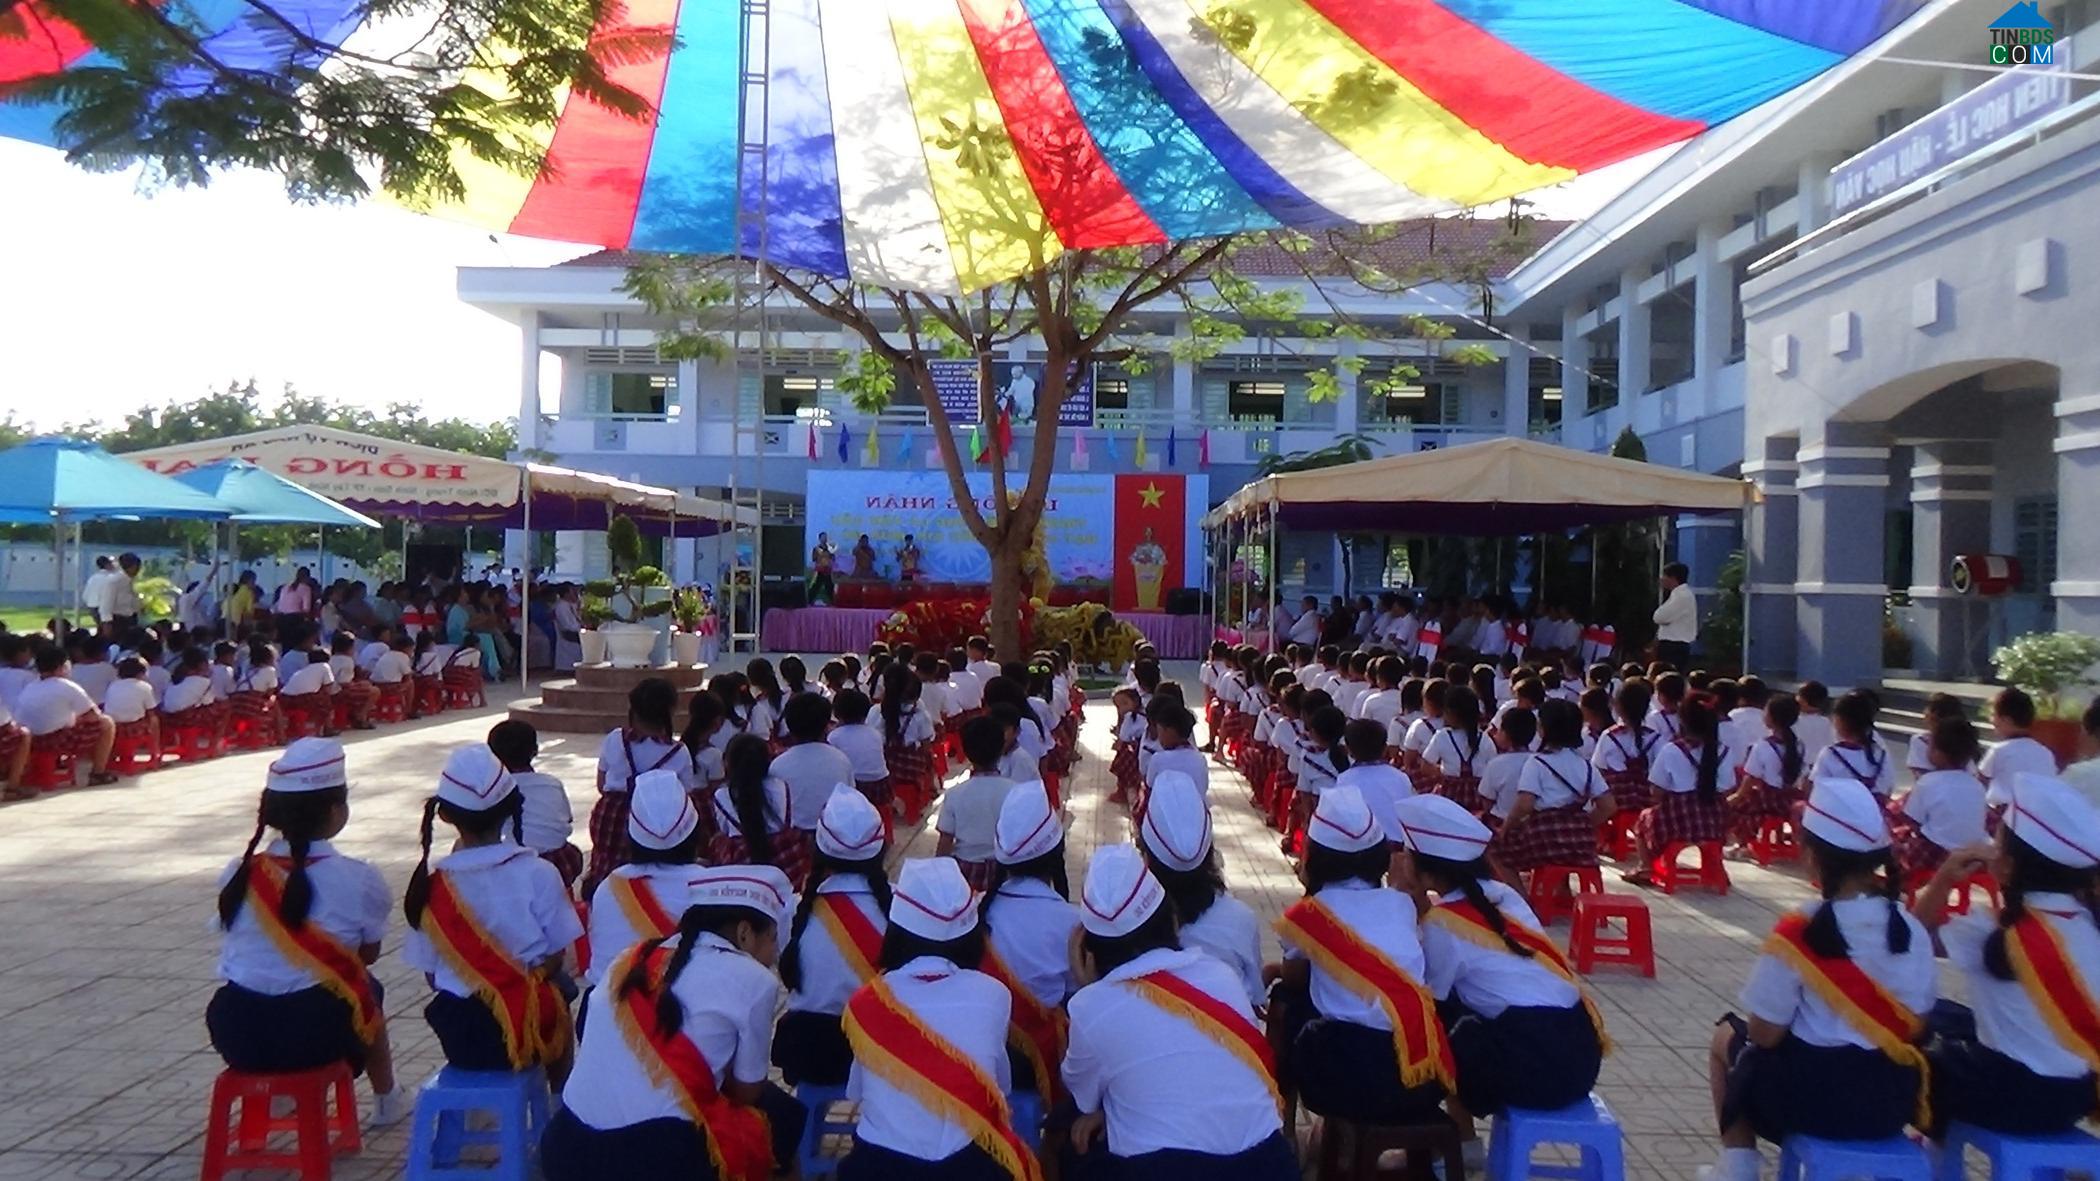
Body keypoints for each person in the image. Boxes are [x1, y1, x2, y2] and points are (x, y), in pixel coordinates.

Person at [1700, 779, 1934, 1181]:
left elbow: (1764, 1033)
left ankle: (1738, 1168)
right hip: (1891, 1104)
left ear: (1813, 856)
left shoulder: (1799, 931)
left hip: (1814, 1104)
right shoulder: (1911, 930)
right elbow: (1921, 1023)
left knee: (1727, 1036)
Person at [542, 865, 804, 1181]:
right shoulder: (755, 980)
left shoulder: (632, 957)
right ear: (744, 932)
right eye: (772, 938)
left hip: (567, 1144)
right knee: (783, 1120)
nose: (774, 952)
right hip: (655, 1157)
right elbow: (747, 1092)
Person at [1060, 844, 1295, 1181]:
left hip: (1168, 1170)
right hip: (1268, 1164)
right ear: (1171, 921)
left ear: (1089, 951)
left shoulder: (1091, 1006)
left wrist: (1088, 989)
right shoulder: (1220, 975)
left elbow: (1082, 1095)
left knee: (1073, 1145)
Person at [206, 738, 408, 1126]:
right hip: (314, 1031)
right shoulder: (359, 877)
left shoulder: (238, 872)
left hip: (237, 1031)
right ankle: (387, 1099)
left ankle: (279, 1095)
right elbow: (366, 955)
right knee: (366, 989)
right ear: (336, 812)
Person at [1911, 773, 2100, 1142]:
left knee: (1906, 1025)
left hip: (2008, 1097)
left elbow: (1913, 943)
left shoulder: (1995, 931)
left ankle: (1930, 1145)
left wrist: (1944, 879)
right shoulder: (2090, 925)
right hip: (2075, 1097)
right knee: (1947, 1017)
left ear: (2008, 866)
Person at [1396, 794, 1608, 1123]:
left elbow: (1430, 996)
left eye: (1406, 855)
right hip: (1579, 1057)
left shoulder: (1443, 925)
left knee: (1435, 1022)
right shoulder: (1505, 895)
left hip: (1531, 1068)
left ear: (1427, 875)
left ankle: (1460, 1140)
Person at [1270, 786, 1453, 1126]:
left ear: (1313, 856)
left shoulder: (1308, 915)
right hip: (1422, 1077)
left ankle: (1285, 1123)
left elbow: (1295, 977)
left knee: (1285, 998)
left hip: (1346, 1080)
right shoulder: (1401, 904)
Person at [838, 857, 1028, 1181]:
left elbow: (855, 1095)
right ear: (972, 934)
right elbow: (1001, 1089)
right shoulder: (994, 995)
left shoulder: (865, 1002)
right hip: (968, 1167)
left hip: (880, 1169)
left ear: (896, 931)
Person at [403, 745, 583, 1081]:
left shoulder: (428, 887)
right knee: (560, 992)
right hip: (528, 1024)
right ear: (512, 808)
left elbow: (431, 976)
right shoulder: (539, 872)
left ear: (443, 815)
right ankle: (559, 1096)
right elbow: (557, 955)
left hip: (459, 1033)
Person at [775, 787, 891, 1087]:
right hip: (883, 1057)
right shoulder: (903, 907)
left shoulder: (795, 910)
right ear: (881, 847)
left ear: (818, 849)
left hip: (812, 1054)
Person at [980, 782, 1082, 1101]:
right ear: (1057, 853)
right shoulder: (1071, 921)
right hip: (1042, 1058)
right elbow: (1076, 995)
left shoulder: (975, 912)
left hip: (983, 1052)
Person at [1139, 771, 1266, 1009]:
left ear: (1146, 858)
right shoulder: (1241, 920)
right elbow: (1255, 997)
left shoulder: (1129, 927)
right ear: (1210, 854)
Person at [583, 768, 701, 988]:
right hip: (680, 1010)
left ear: (631, 836)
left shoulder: (609, 886)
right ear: (695, 832)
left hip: (608, 1008)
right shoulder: (712, 887)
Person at [585, 678, 692, 897]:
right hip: (656, 821)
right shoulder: (679, 752)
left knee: (607, 866)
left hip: (611, 814)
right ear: (670, 711)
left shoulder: (615, 739)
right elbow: (685, 795)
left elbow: (601, 783)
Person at [1623, 699, 1739, 887]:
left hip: (1678, 820)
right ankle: (1715, 868)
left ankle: (1645, 868)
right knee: (1711, 837)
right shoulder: (1723, 751)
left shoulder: (1672, 750)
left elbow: (1657, 790)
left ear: (1683, 721)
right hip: (1714, 821)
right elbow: (1728, 787)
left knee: (1644, 819)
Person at [1497, 700, 1616, 874]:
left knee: (1496, 851)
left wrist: (1506, 827)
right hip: (1582, 844)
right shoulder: (1586, 765)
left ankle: (1522, 898)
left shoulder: (1537, 763)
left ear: (1543, 729)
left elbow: (1525, 805)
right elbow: (1609, 807)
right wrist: (1582, 824)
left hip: (1544, 839)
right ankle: (1561, 889)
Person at [1889, 717, 1989, 883]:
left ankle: (1899, 887)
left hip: (1936, 854)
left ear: (1938, 753)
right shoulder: (1976, 784)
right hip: (1973, 856)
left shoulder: (1928, 781)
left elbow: (1912, 819)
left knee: (1894, 841)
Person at [708, 733, 810, 888]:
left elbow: (725, 831)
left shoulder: (721, 796)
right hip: (786, 868)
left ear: (728, 763)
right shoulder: (781, 786)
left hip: (742, 873)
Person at [490, 719, 581, 889]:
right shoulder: (552, 783)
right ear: (535, 751)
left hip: (518, 865)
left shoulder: (494, 790)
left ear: (492, 757)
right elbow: (567, 819)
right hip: (561, 862)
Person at [938, 716, 1021, 889]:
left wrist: (939, 877)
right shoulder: (1015, 791)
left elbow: (945, 842)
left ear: (966, 751)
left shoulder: (954, 794)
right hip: (1005, 870)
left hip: (965, 871)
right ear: (1001, 748)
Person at [18, 645, 118, 786]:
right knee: (107, 723)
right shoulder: (66, 686)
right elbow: (95, 714)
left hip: (33, 739)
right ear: (62, 666)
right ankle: (98, 772)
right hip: (56, 739)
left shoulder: (31, 686)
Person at [770, 691, 856, 842]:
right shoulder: (840, 759)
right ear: (826, 726)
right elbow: (850, 798)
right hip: (835, 835)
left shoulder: (777, 765)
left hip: (795, 840)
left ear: (789, 727)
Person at [1982, 687, 2063, 803]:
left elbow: (1978, 785)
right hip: (2036, 815)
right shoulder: (2045, 753)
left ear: (2006, 720)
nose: (1991, 720)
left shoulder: (1999, 751)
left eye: (1993, 715)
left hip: (2004, 815)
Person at [829, 688, 894, 815]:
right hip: (881, 785)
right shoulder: (874, 733)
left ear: (836, 713)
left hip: (855, 786)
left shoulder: (834, 736)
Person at [1652, 562, 1697, 671]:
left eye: (1665, 576)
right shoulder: (1679, 594)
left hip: (1673, 646)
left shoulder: (1681, 596)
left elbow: (1659, 617)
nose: (1662, 579)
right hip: (1674, 645)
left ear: (1673, 578)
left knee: (1669, 678)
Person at [810, 531, 839, 604]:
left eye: (825, 537)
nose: (824, 539)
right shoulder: (816, 548)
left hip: (827, 570)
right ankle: (809, 601)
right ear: (819, 539)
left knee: (829, 586)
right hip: (819, 570)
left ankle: (833, 602)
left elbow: (833, 558)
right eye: (823, 537)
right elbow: (814, 559)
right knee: (816, 586)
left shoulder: (830, 548)